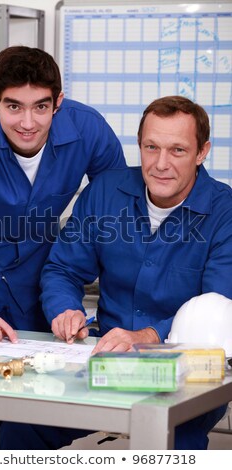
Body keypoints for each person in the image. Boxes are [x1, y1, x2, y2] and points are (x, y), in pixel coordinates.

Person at [0, 46, 126, 449]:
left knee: (32, 400)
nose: (27, 122)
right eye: (13, 107)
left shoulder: (88, 130)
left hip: (34, 276)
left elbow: (117, 207)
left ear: (58, 101)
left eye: (41, 106)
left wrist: (86, 287)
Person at [40, 95, 232, 449]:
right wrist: (64, 309)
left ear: (202, 152)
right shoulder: (103, 192)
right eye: (151, 147)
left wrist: (149, 335)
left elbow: (216, 309)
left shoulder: (225, 213)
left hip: (190, 371)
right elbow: (62, 269)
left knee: (170, 442)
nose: (160, 164)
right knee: (21, 431)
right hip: (106, 360)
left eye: (177, 150)